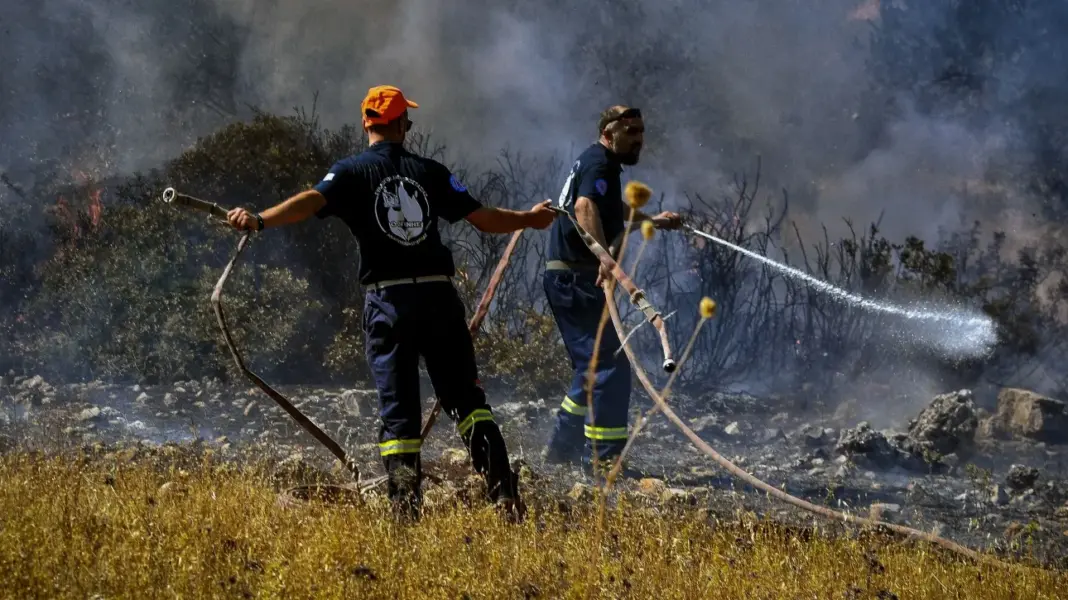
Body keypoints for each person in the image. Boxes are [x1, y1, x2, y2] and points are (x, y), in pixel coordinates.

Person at [226, 84, 556, 519]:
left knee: (399, 412)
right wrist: (530, 220)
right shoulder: (430, 172)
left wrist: (261, 219)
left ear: (366, 123)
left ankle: (404, 513)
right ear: (402, 125)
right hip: (438, 298)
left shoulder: (349, 172)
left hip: (390, 302)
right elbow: (483, 218)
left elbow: (310, 201)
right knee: (468, 403)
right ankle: (505, 497)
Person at [541, 105, 683, 474]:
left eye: (641, 131)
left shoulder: (598, 164)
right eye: (630, 131)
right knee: (610, 367)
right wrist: (604, 256)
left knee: (592, 366)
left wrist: (654, 220)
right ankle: (604, 461)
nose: (639, 139)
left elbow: (607, 208)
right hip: (576, 279)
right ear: (608, 133)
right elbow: (585, 206)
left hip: (569, 277)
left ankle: (561, 450)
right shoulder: (600, 164)